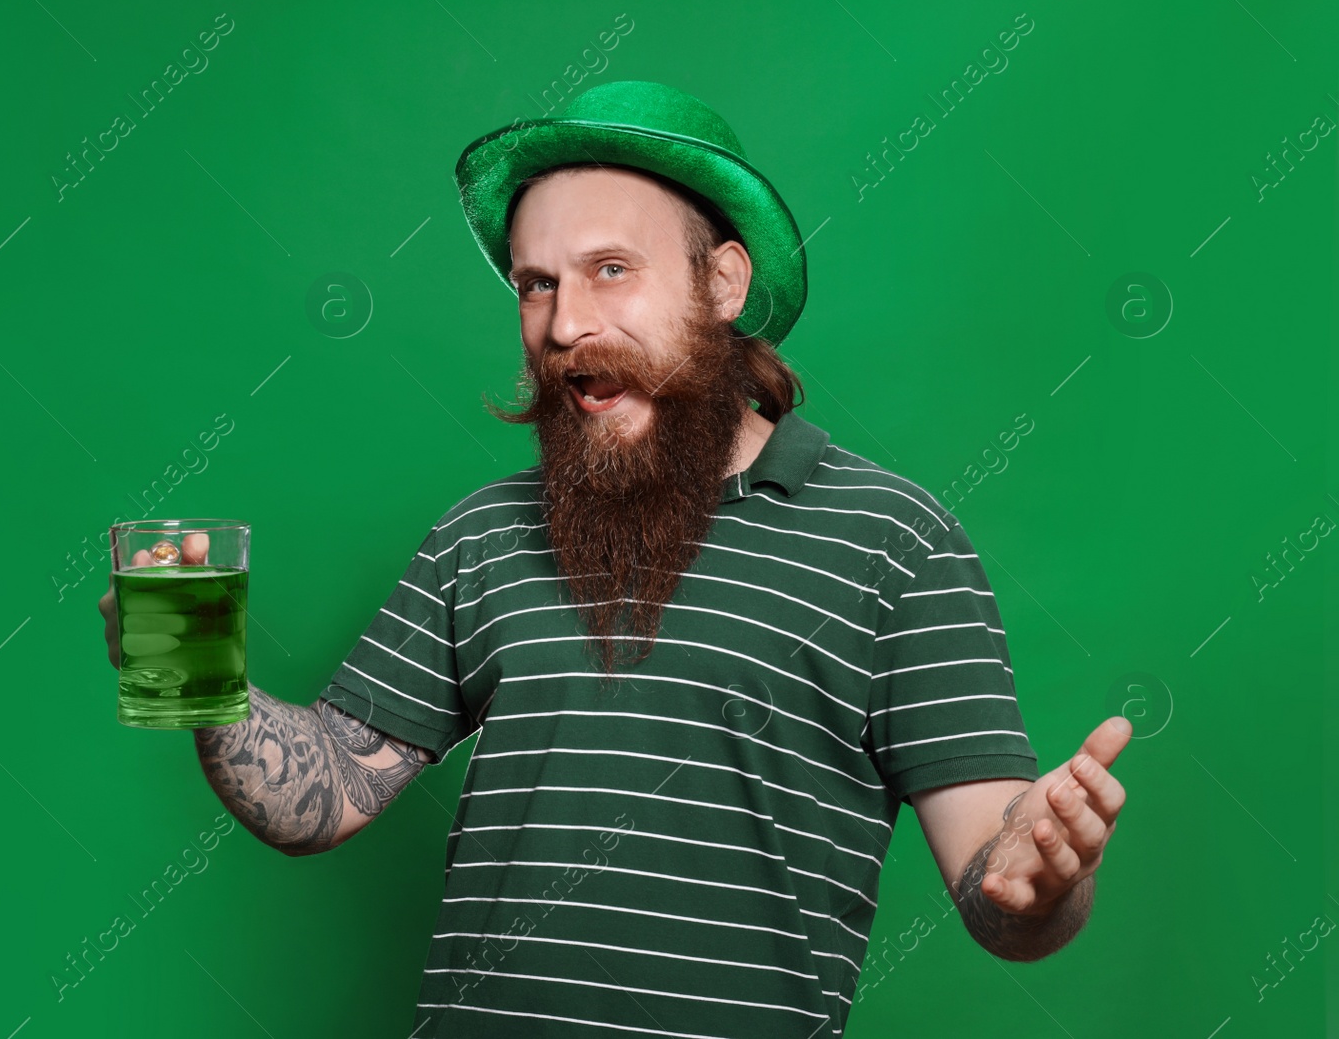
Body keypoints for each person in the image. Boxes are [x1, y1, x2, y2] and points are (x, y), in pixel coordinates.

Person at [100, 81, 1130, 1037]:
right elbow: (323, 789)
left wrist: (1040, 877)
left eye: (610, 269)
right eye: (535, 284)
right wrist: (207, 688)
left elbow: (1003, 887)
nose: (566, 323)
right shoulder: (482, 534)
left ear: (723, 280)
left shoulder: (893, 540)